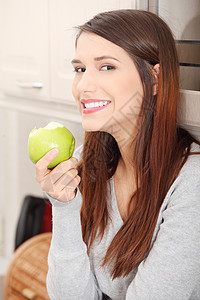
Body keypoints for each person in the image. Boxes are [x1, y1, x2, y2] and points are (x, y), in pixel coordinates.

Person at [35, 9, 200, 300]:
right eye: (80, 69)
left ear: (155, 78)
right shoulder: (91, 163)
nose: (83, 86)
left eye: (107, 67)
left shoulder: (191, 182)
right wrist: (64, 207)